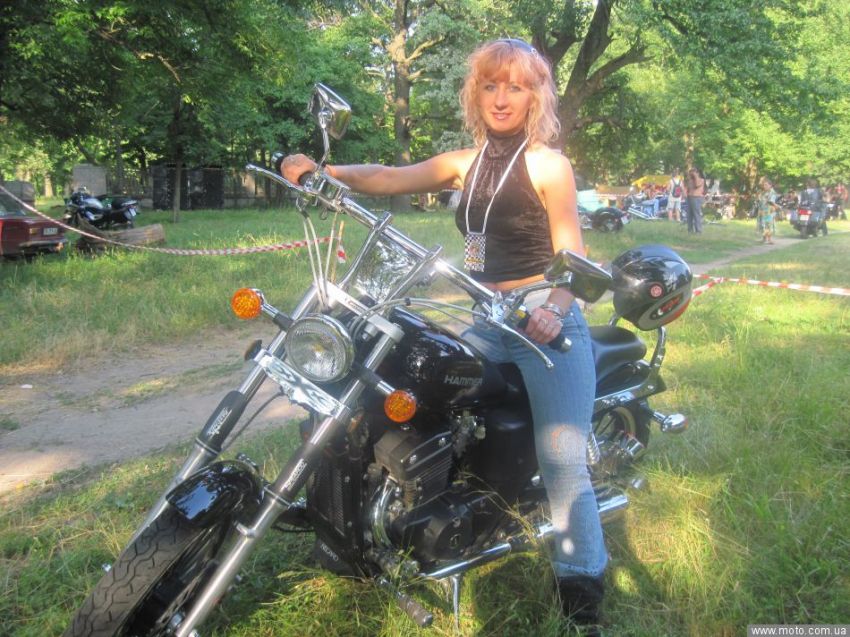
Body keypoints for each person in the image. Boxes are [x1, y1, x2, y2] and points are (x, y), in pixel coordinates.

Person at [281, 38, 606, 629]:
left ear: (534, 97)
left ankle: (581, 580)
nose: (501, 98)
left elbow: (572, 258)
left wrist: (555, 309)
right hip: (488, 319)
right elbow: (388, 177)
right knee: (417, 392)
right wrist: (322, 172)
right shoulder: (466, 162)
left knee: (561, 459)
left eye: (515, 87)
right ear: (475, 94)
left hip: (543, 322)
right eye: (490, 86)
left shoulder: (548, 165)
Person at [757, 177, 778, 244]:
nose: (764, 186)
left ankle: (769, 240)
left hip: (769, 211)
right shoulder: (763, 192)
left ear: (770, 185)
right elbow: (760, 200)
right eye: (764, 185)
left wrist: (776, 206)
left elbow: (771, 201)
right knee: (763, 225)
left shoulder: (772, 192)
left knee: (768, 225)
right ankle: (764, 239)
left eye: (766, 185)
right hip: (762, 211)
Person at [686, 166, 706, 233]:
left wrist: (696, 176)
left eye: (693, 171)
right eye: (691, 172)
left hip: (696, 198)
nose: (692, 173)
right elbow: (688, 189)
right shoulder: (690, 180)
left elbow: (697, 185)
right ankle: (690, 230)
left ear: (697, 173)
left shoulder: (701, 180)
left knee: (696, 214)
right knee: (689, 215)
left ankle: (698, 230)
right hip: (689, 198)